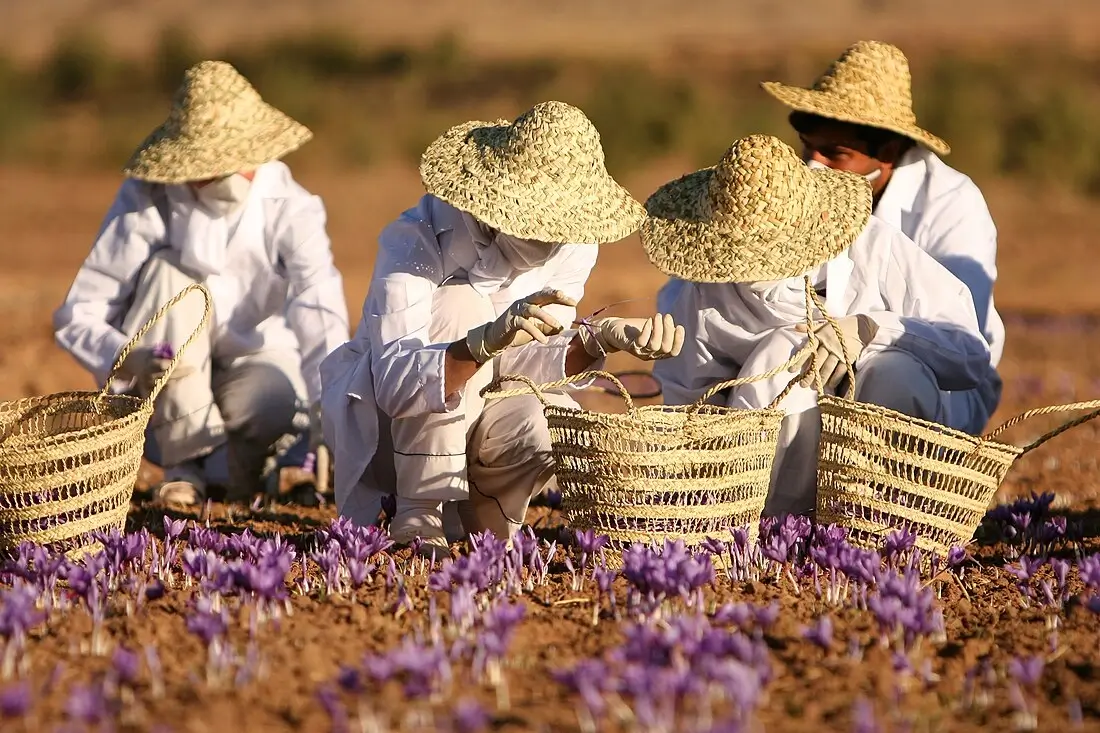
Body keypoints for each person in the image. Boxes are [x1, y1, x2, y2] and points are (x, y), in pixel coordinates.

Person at [320, 100, 684, 552]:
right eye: (539, 222)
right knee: (460, 303)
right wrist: (480, 343)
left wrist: (597, 340)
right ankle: (419, 509)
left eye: (565, 224)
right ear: (492, 207)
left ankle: (482, 515)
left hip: (486, 415)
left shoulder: (574, 246)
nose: (554, 237)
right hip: (391, 433)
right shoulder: (416, 240)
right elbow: (395, 386)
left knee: (549, 417)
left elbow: (532, 371)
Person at [647, 134, 997, 516]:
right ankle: (775, 527)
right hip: (764, 470)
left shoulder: (873, 247)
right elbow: (689, 405)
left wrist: (871, 330)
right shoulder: (707, 291)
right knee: (783, 352)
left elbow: (969, 354)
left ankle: (878, 524)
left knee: (897, 374)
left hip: (886, 435)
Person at [53, 60, 350, 506]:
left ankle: (245, 472)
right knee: (171, 274)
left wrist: (332, 417)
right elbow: (78, 314)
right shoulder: (148, 199)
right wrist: (127, 356)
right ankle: (183, 467)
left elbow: (318, 307)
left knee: (269, 402)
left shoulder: (290, 207)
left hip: (253, 371)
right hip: (164, 385)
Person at [761, 40, 1005, 422]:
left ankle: (883, 481)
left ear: (888, 152)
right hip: (824, 363)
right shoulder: (793, 195)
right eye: (808, 148)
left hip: (939, 382)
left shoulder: (952, 203)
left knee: (893, 376)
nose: (813, 166)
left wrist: (866, 328)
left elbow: (956, 333)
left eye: (835, 154)